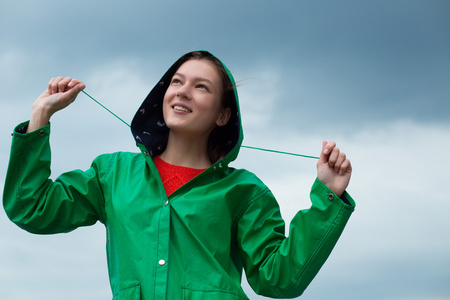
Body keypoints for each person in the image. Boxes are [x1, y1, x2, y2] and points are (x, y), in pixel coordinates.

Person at [3, 51, 355, 299]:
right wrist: (40, 116)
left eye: (201, 87)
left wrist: (329, 197)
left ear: (222, 116)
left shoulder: (245, 192)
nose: (183, 90)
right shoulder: (112, 174)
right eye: (176, 81)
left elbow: (280, 280)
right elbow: (31, 208)